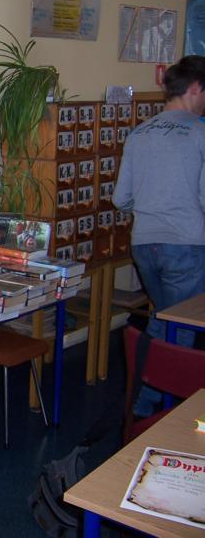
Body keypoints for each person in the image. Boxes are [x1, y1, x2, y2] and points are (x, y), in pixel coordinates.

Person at [113, 55, 205, 416]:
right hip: (185, 244)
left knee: (163, 316)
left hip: (144, 245)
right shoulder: (200, 133)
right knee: (181, 326)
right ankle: (156, 407)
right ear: (195, 88)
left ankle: (142, 395)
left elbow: (121, 198)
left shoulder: (139, 133)